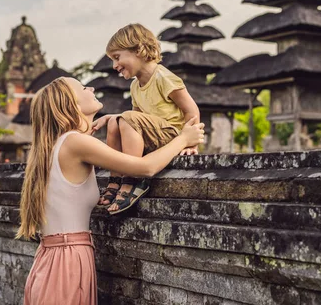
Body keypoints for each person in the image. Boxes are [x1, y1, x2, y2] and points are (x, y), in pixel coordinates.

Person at [17, 77, 204, 305]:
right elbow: (145, 168)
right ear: (71, 103)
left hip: (55, 257)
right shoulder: (75, 143)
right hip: (66, 261)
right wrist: (183, 139)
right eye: (84, 87)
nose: (92, 88)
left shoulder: (55, 146)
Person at [92, 23, 200, 215]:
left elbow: (191, 110)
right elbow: (135, 120)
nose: (115, 65)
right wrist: (113, 118)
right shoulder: (135, 86)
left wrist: (190, 143)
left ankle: (133, 179)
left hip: (171, 135)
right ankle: (116, 179)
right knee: (115, 123)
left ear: (138, 50)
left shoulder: (163, 77)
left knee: (125, 118)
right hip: (152, 136)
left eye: (117, 57)